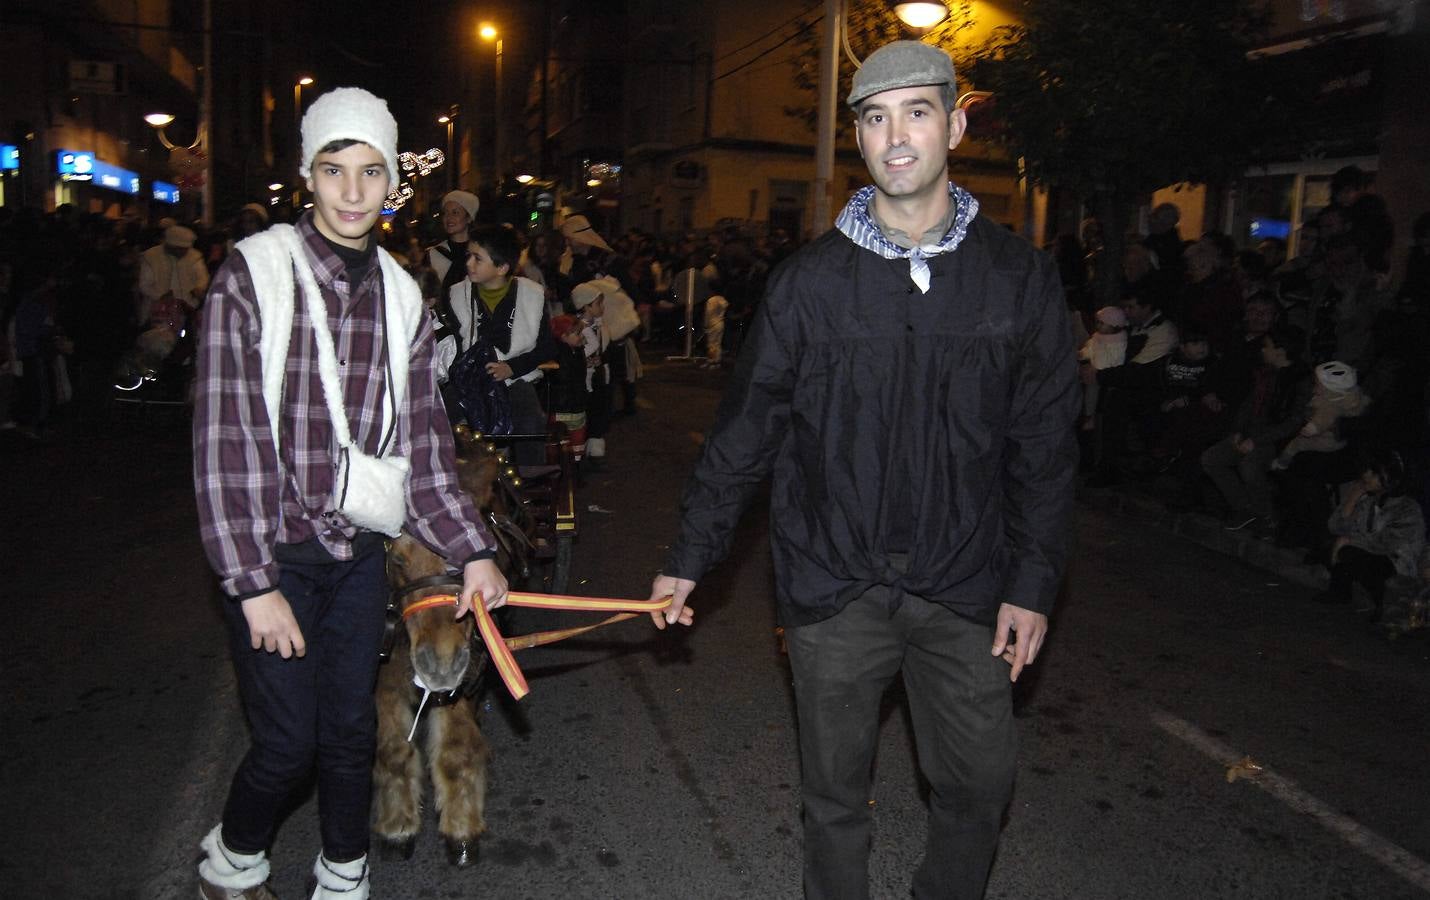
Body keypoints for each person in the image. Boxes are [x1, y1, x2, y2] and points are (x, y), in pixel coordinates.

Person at [647, 41, 1078, 900]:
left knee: (981, 784)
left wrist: (1032, 580)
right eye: (876, 119)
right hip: (834, 583)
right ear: (859, 139)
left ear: (954, 125)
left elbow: (1045, 444)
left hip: (965, 583)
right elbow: (745, 434)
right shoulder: (809, 285)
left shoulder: (1017, 280)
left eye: (917, 112)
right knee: (834, 796)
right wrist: (689, 558)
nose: (897, 137)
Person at [191, 87, 508, 900]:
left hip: (358, 554)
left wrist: (471, 548)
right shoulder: (253, 276)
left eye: (372, 172)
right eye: (335, 170)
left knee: (351, 730)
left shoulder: (404, 297)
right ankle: (230, 861)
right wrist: (252, 585)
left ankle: (344, 873)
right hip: (273, 556)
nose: (353, 191)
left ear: (392, 180)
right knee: (288, 743)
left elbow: (426, 452)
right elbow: (224, 441)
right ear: (309, 173)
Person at [443, 223, 553, 465]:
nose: (469, 264)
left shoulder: (532, 295)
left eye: (477, 259)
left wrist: (511, 367)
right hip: (470, 379)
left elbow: (546, 347)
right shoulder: (456, 294)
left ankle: (530, 488)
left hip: (517, 379)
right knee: (440, 419)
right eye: (468, 256)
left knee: (530, 424)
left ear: (502, 267)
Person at [1318, 449, 1426, 622]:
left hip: (1396, 563)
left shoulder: (1408, 508)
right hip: (1369, 553)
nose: (1366, 476)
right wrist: (1352, 500)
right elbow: (1336, 527)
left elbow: (1385, 543)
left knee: (1349, 552)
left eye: (1374, 473)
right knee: (1331, 545)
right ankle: (1341, 591)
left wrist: (1348, 541)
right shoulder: (1368, 500)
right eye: (1368, 470)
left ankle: (1383, 603)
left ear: (1391, 478)